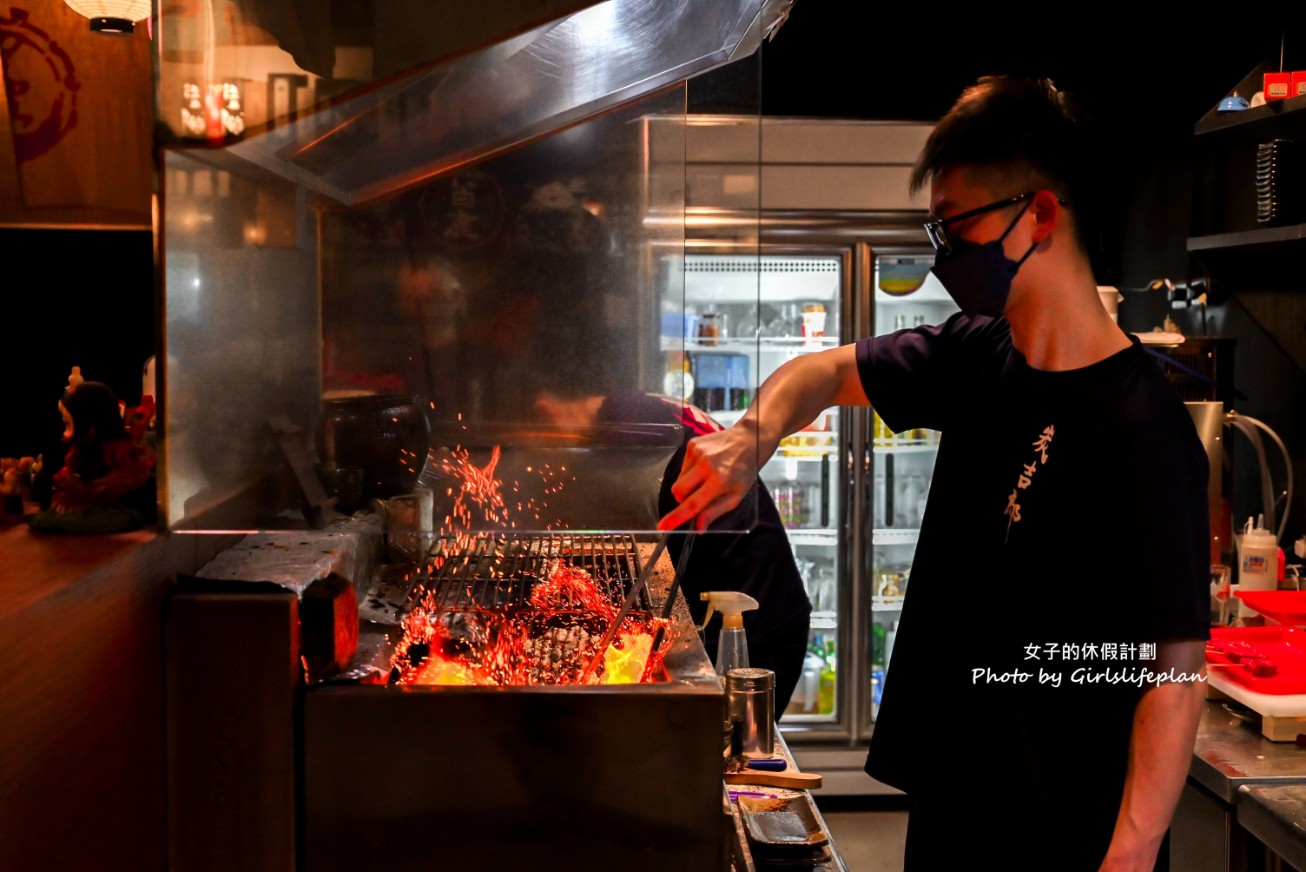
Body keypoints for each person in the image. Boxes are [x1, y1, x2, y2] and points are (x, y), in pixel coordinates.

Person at [658, 75, 1210, 871]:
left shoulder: (1142, 427)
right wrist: (753, 434)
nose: (944, 250)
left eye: (958, 224)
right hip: (957, 807)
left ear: (1040, 216)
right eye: (937, 226)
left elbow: (1175, 671)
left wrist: (1128, 855)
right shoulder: (977, 355)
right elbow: (822, 372)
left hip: (1067, 831)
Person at [535, 387, 812, 713]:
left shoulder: (635, 428)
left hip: (751, 631)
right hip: (736, 609)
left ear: (547, 407)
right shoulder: (634, 411)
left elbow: (631, 535)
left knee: (716, 749)